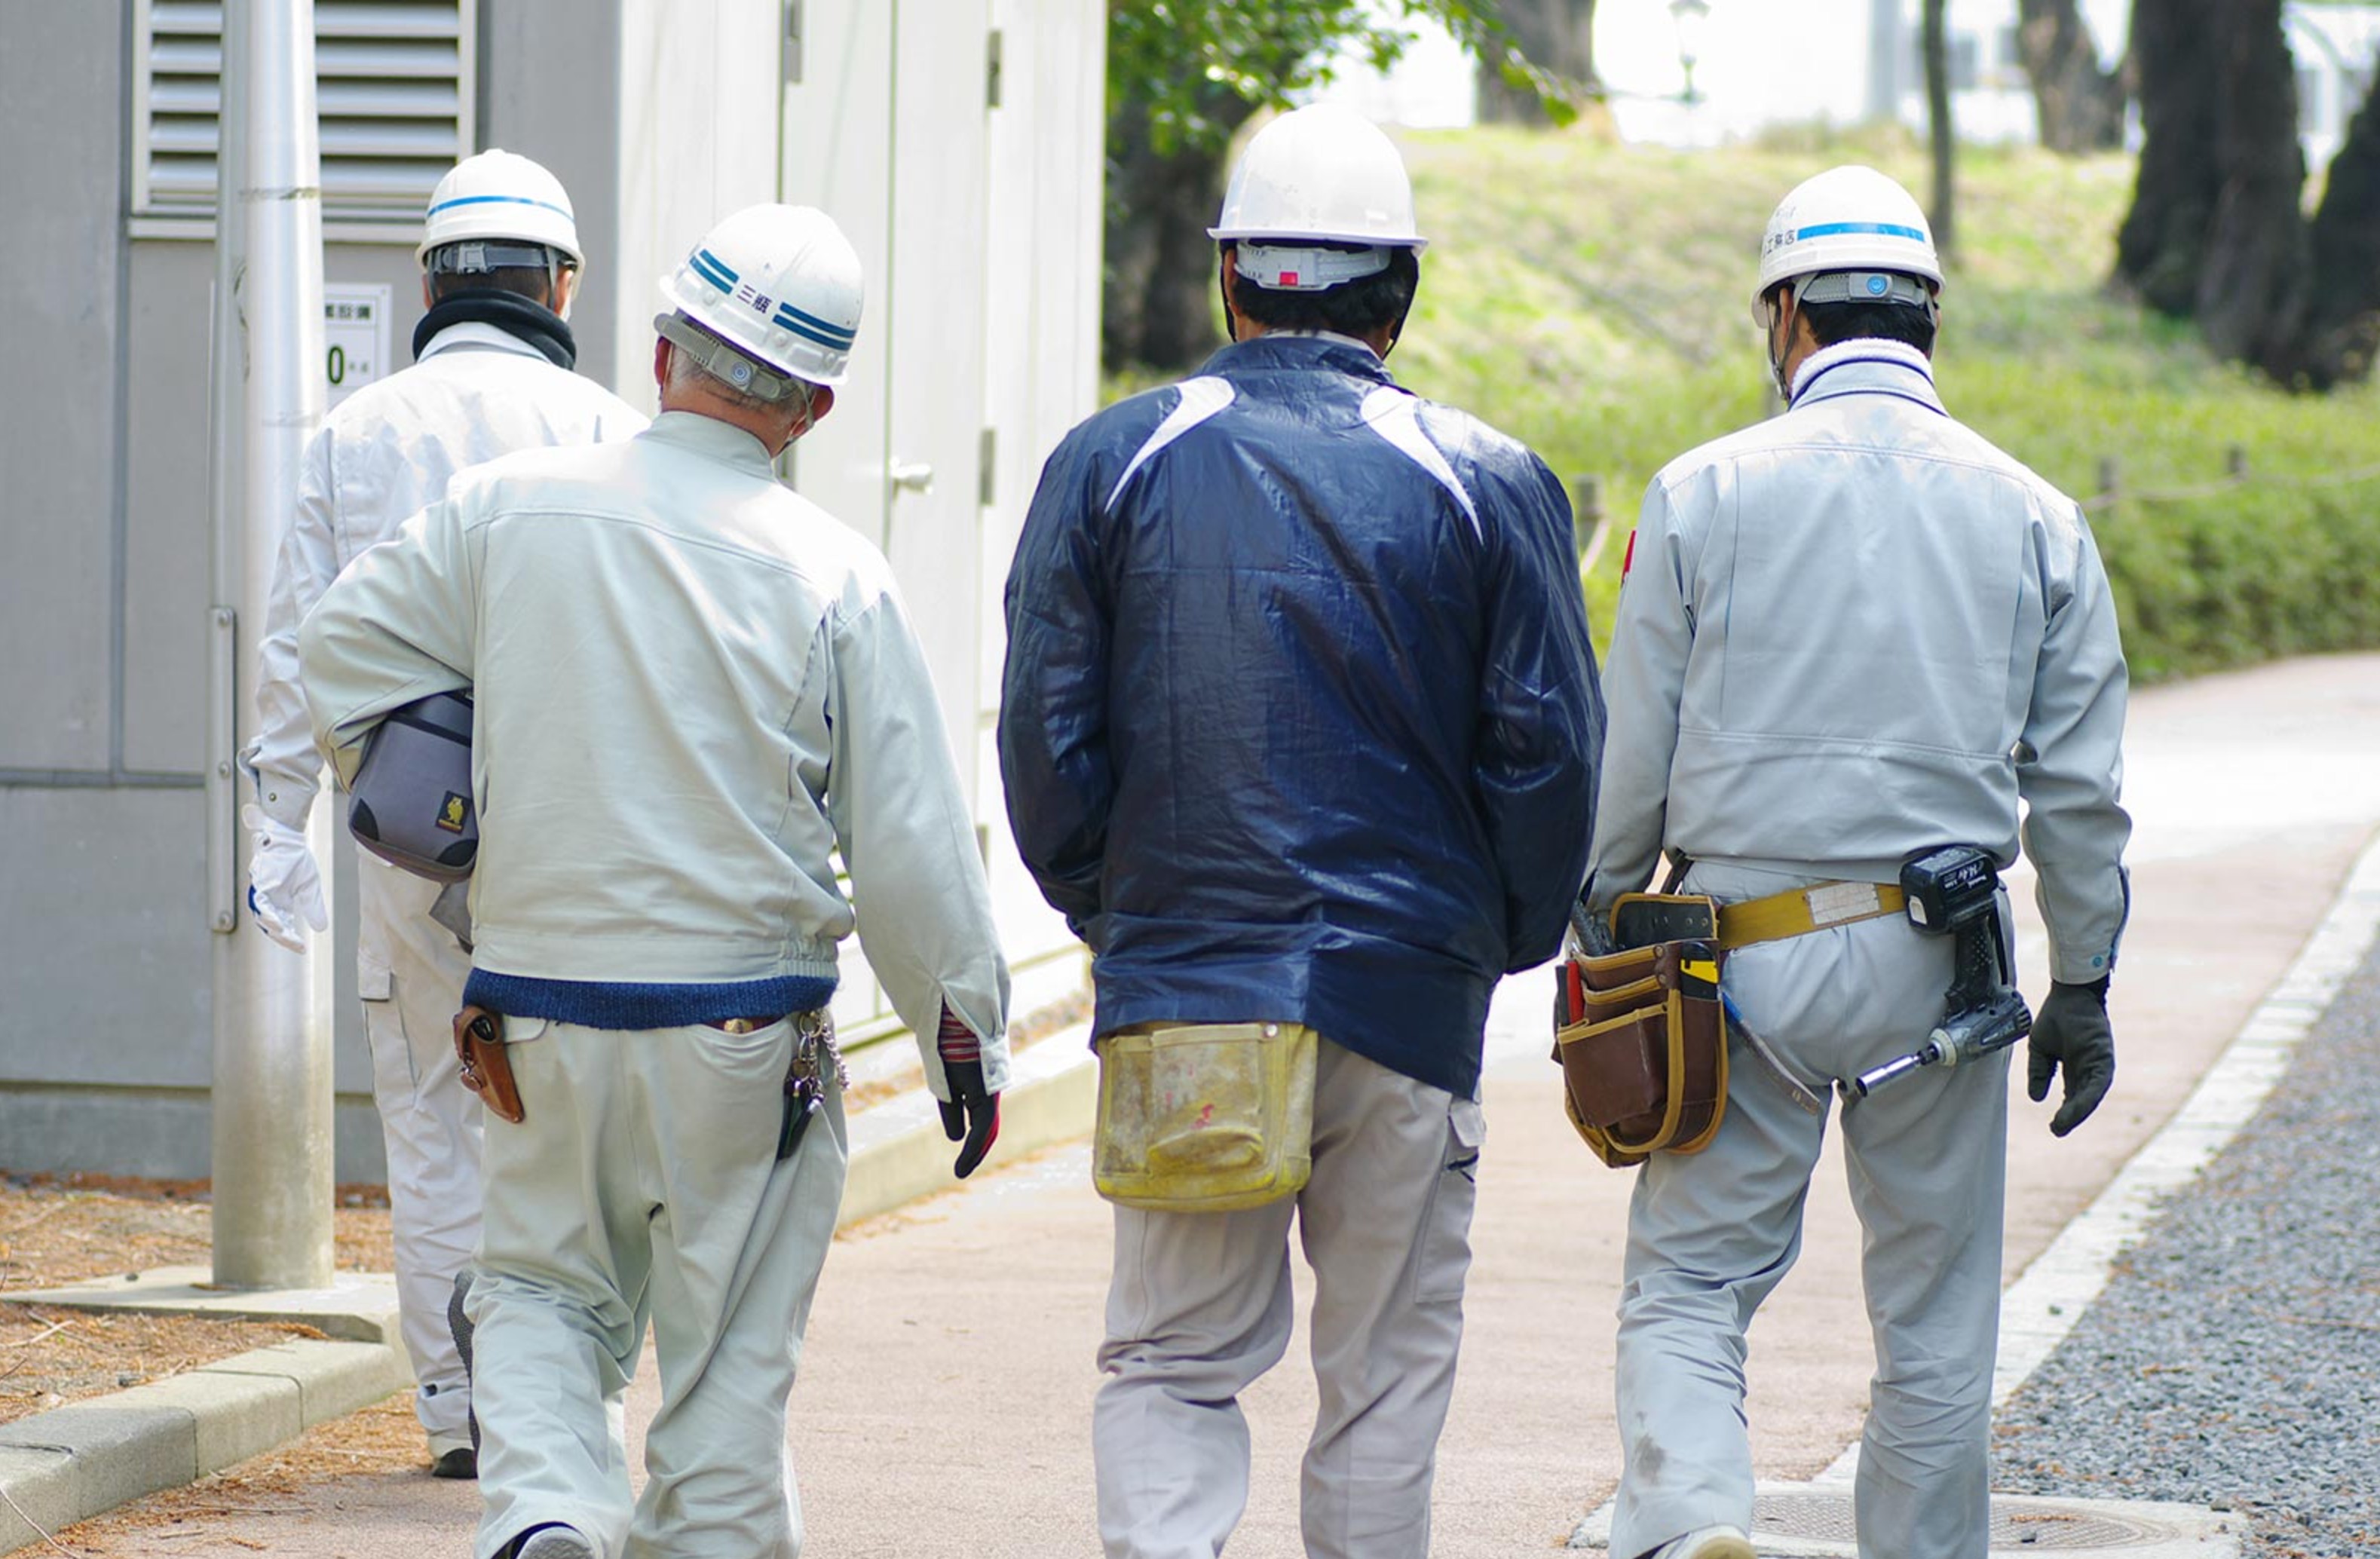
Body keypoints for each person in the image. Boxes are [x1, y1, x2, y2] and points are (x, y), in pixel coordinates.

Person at [299, 202, 1010, 1559]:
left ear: (665, 348)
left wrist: (467, 808)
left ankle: (552, 1512)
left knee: (539, 1294)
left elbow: (342, 654)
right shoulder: (834, 574)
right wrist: (958, 1037)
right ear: (810, 406)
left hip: (536, 1006)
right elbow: (910, 842)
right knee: (730, 1356)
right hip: (747, 1032)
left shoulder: (506, 513)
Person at [1000, 103, 1605, 1559]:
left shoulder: (1114, 456)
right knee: (1386, 1372)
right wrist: (1498, 940)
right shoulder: (1489, 474)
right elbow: (1547, 747)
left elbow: (1044, 732)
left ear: (1229, 279)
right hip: (1411, 991)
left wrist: (1118, 907)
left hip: (1189, 989)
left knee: (1171, 1359)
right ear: (1399, 291)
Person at [1582, 164, 2130, 1559]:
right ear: (1926, 316)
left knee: (1691, 1283)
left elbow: (1626, 765)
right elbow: (2075, 794)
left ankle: (1693, 1519)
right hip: (1937, 967)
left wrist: (1599, 932)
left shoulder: (1699, 493)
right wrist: (2084, 979)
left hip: (1732, 959)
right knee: (1935, 1315)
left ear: (1784, 316)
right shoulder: (2035, 515)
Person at [240, 147, 644, 1479]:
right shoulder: (605, 430)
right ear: (562, 281)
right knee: (568, 1120)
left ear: (431, 279)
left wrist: (273, 833)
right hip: (579, 833)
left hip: (408, 833)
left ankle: (461, 1415)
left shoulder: (357, 431)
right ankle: (565, 1410)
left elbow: (294, 648)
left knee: (430, 1115)